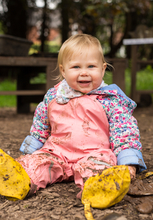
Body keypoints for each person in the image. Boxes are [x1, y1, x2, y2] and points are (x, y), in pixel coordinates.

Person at [17, 33, 146, 197]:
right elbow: (41, 124)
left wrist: (128, 161)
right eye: (76, 67)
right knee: (37, 162)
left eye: (91, 66)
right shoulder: (54, 96)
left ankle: (97, 190)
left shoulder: (110, 100)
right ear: (63, 71)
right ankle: (21, 180)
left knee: (100, 169)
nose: (84, 73)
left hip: (94, 154)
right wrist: (32, 148)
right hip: (57, 152)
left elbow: (124, 131)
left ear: (103, 69)